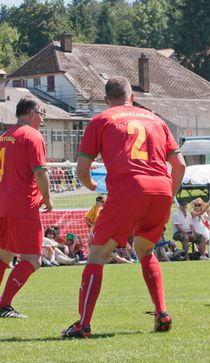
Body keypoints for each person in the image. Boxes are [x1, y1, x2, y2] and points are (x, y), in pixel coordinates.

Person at [61, 76, 186, 338]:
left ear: (106, 100)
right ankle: (162, 312)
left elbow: (82, 170)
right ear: (131, 96)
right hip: (161, 189)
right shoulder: (155, 119)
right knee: (145, 249)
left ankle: (83, 324)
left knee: (96, 256)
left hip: (128, 188)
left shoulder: (102, 119)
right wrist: (168, 195)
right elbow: (180, 165)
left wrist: (92, 187)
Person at [0, 97, 53, 318]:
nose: (42, 119)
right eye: (41, 114)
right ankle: (4, 306)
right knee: (33, 259)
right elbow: (40, 172)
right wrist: (48, 199)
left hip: (2, 203)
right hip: (23, 205)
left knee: (3, 255)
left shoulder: (4, 136)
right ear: (31, 113)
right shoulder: (32, 135)